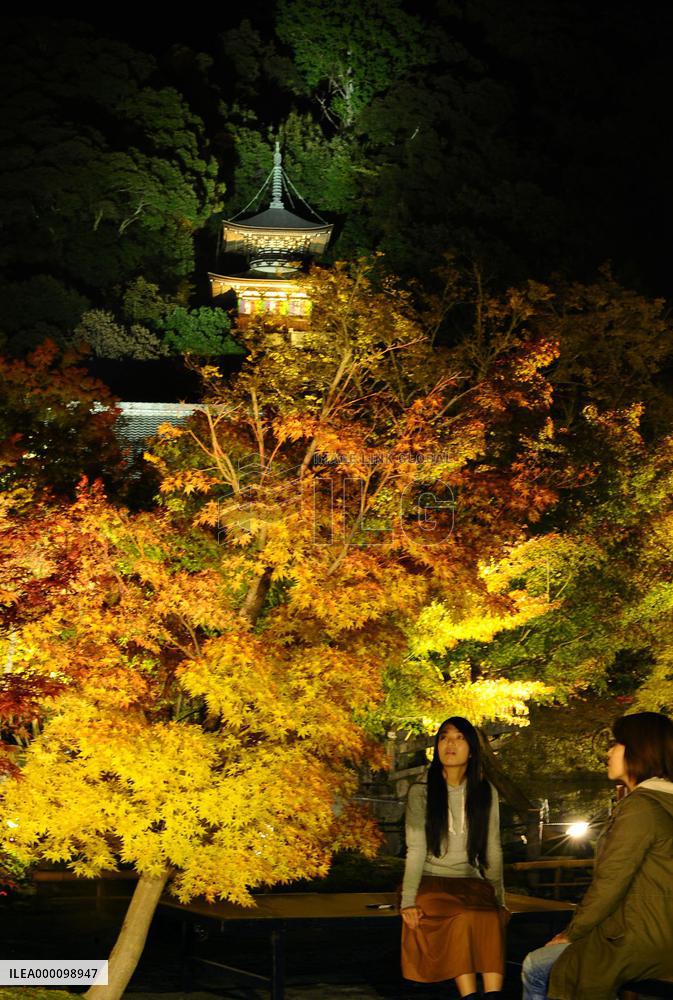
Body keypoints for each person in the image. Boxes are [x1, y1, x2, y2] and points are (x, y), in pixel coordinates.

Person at [522, 711, 673, 1000]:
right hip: (660, 929)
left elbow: (610, 883)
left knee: (536, 965)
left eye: (617, 743)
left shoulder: (641, 807)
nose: (609, 751)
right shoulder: (663, 801)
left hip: (642, 938)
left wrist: (572, 933)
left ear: (639, 750)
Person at [400, 716, 506, 1000]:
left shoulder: (485, 792)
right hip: (432, 881)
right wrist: (408, 901)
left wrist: (499, 897)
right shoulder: (421, 792)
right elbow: (416, 849)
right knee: (464, 916)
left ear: (471, 750)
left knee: (489, 917)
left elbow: (493, 847)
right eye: (445, 737)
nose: (450, 743)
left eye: (459, 738)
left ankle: (493, 995)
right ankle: (470, 995)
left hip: (470, 881)